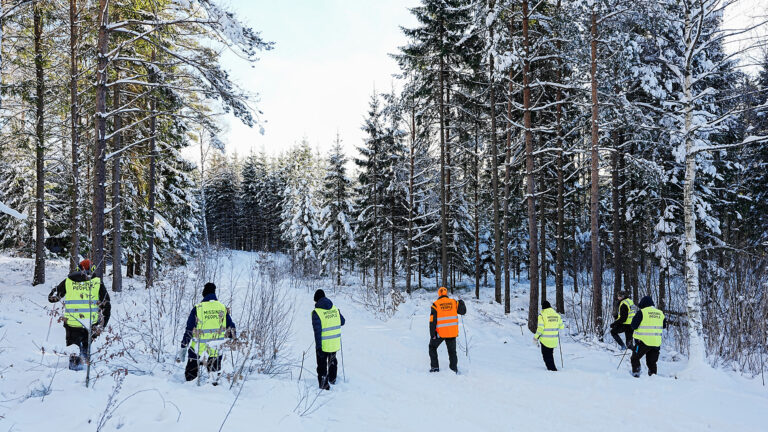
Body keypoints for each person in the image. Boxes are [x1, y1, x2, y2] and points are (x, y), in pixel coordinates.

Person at [48, 259, 111, 370]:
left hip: (72, 324)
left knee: (74, 351)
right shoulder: (97, 282)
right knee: (85, 350)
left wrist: (56, 290)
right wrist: (102, 325)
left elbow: (52, 298)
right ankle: (84, 374)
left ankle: (74, 372)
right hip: (91, 324)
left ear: (78, 268)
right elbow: (107, 305)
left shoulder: (68, 281)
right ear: (92, 269)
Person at [176, 282, 236, 382]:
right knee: (214, 380)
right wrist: (232, 341)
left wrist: (184, 346)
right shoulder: (222, 308)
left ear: (204, 293)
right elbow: (231, 328)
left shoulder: (198, 308)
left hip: (197, 350)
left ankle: (188, 393)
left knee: (190, 380)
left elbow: (189, 329)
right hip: (216, 349)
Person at [312, 289, 345, 390]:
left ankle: (324, 385)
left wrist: (318, 347)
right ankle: (332, 378)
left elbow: (317, 331)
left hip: (323, 344)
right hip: (334, 342)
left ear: (317, 300)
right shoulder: (334, 308)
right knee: (332, 360)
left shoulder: (316, 312)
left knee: (321, 365)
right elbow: (342, 322)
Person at [429, 286, 467, 373]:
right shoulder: (454, 302)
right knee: (452, 351)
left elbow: (432, 321)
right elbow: (463, 311)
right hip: (452, 332)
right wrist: (461, 302)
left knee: (432, 347)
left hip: (440, 333)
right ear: (446, 293)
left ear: (439, 294)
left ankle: (435, 367)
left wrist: (432, 334)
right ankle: (454, 369)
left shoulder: (436, 304)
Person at [630, 295, 665, 377]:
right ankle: (653, 377)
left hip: (643, 341)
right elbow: (663, 325)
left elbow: (634, 325)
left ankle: (636, 374)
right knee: (651, 362)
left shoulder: (642, 312)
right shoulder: (660, 313)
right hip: (656, 342)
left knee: (635, 358)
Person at [533, 300, 564, 371]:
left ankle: (552, 370)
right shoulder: (557, 315)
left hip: (545, 340)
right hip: (554, 340)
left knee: (546, 356)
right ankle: (552, 368)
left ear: (543, 308)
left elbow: (540, 328)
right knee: (550, 354)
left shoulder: (542, 316)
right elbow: (561, 326)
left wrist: (535, 337)